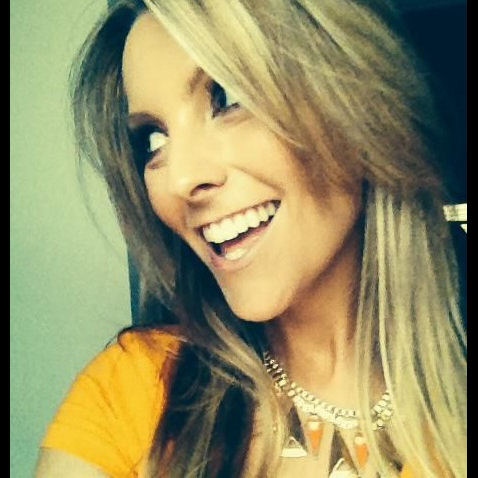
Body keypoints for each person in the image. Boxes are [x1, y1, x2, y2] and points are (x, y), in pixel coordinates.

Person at [35, 0, 466, 476]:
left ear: (357, 102)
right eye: (154, 140)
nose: (180, 179)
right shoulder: (134, 392)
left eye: (227, 96)